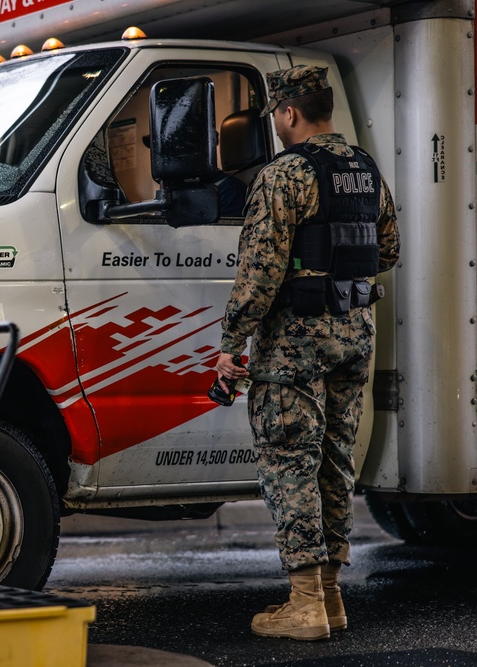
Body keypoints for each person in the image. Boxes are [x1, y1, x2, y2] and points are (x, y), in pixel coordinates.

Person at [214, 65, 400, 641]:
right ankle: (330, 599)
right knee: (334, 462)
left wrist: (229, 345)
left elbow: (260, 275)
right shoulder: (364, 171)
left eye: (276, 114)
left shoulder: (284, 174)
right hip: (355, 333)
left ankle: (303, 604)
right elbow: (387, 250)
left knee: (290, 462)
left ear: (289, 113)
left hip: (295, 342)